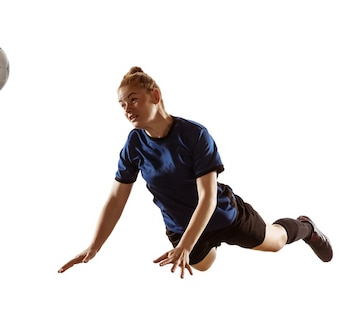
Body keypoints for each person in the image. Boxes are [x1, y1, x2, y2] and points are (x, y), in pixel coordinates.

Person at [58, 67, 332, 279]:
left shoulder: (194, 135)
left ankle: (306, 228)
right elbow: (117, 199)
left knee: (277, 243)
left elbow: (208, 198)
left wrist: (186, 247)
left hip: (224, 216)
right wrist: (95, 245)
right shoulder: (134, 143)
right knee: (203, 266)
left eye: (133, 100)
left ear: (155, 96)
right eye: (122, 104)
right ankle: (204, 245)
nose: (127, 109)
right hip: (180, 228)